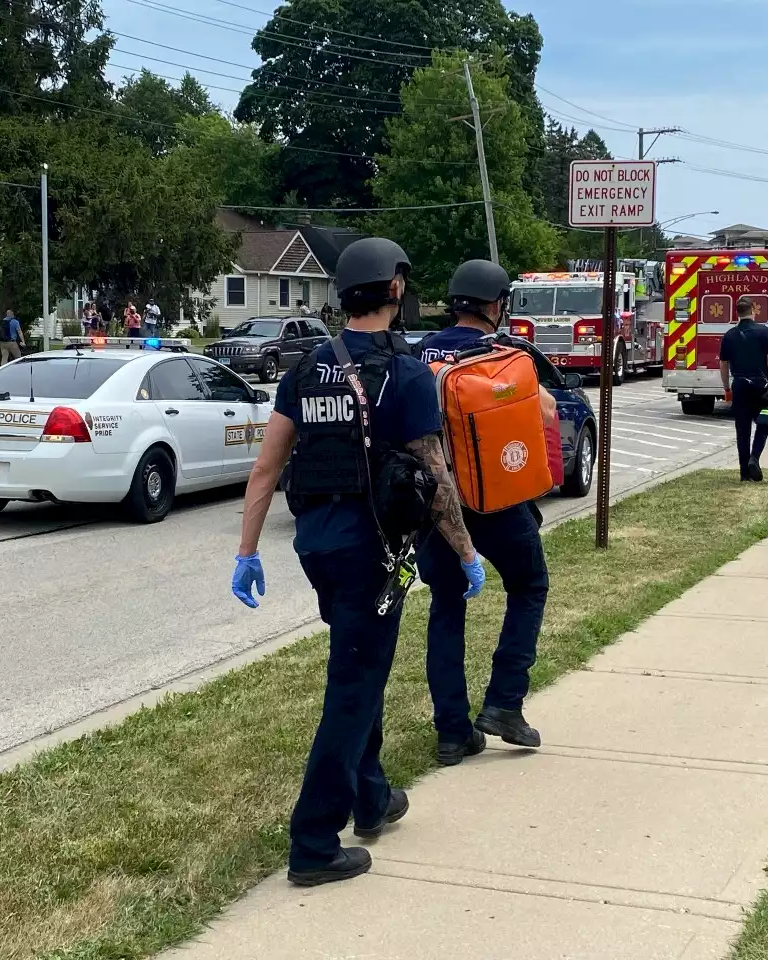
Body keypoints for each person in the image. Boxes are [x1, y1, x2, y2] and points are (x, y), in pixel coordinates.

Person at [230, 237, 485, 888]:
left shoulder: (305, 370)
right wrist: (466, 551)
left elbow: (266, 468)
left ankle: (372, 797)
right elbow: (435, 475)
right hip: (371, 555)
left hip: (316, 548)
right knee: (351, 691)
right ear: (395, 288)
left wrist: (247, 551)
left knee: (358, 666)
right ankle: (313, 841)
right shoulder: (405, 375)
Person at [415, 260, 554, 766]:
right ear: (496, 305)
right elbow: (546, 414)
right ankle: (504, 704)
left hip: (437, 509)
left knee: (446, 606)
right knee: (529, 586)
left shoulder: (416, 356)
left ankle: (452, 732)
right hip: (496, 502)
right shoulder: (506, 354)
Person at [719, 296, 768, 482]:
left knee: (742, 431)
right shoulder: (763, 332)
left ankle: (744, 473)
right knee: (765, 422)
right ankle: (754, 458)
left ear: (737, 313)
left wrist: (726, 388)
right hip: (761, 386)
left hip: (739, 385)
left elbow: (724, 365)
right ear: (753, 310)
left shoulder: (729, 335)